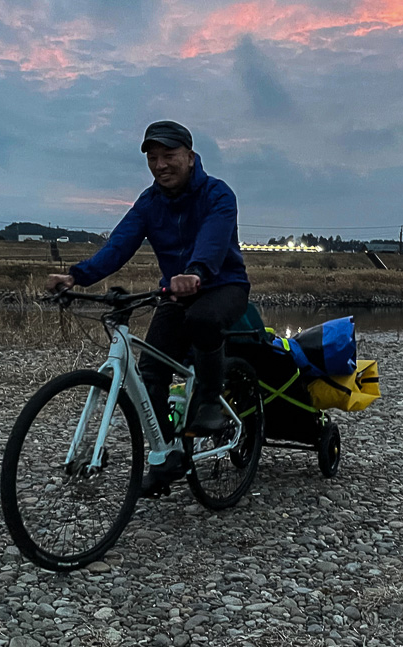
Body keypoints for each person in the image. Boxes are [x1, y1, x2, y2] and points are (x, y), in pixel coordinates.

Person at [46, 120, 250, 495]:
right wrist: (76, 277)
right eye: (152, 158)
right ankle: (165, 456)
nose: (160, 165)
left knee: (204, 319)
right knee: (151, 372)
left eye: (169, 156)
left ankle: (209, 402)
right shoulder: (149, 201)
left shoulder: (218, 195)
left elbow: (213, 240)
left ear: (190, 157)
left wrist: (195, 272)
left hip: (223, 285)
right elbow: (119, 245)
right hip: (174, 292)